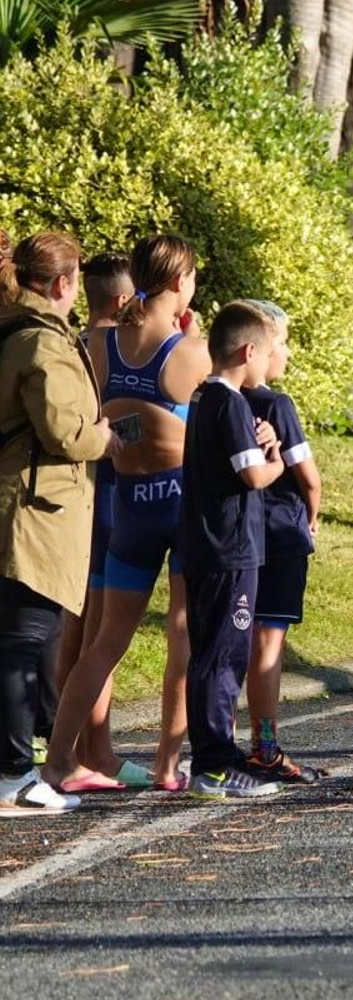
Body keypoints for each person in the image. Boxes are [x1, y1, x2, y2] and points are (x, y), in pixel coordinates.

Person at [44, 235, 209, 795]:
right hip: (181, 502)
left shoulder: (98, 342)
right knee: (183, 636)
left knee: (104, 643)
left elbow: (108, 421)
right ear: (179, 282)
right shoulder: (189, 352)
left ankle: (59, 760)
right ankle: (168, 763)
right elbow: (217, 428)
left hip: (125, 502)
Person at [1, 232, 120, 816]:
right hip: (35, 510)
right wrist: (108, 437)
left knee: (37, 635)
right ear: (60, 284)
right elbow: (65, 432)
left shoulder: (19, 330)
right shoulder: (41, 343)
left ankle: (30, 765)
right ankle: (13, 774)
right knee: (23, 640)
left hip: (31, 505)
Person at [182, 302, 285, 799]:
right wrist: (276, 459)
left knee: (208, 654)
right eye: (266, 354)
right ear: (248, 351)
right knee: (224, 656)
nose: (268, 365)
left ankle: (211, 757)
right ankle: (215, 764)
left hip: (204, 545)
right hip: (230, 549)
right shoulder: (233, 403)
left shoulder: (204, 398)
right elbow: (254, 475)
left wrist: (259, 444)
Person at [50, 253, 143, 784]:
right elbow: (116, 428)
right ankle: (95, 752)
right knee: (101, 635)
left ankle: (71, 746)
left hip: (80, 498)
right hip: (110, 496)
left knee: (78, 630)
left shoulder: (75, 343)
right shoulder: (113, 350)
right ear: (123, 300)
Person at [241, 300, 324, 785]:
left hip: (237, 535)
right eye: (282, 344)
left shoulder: (218, 398)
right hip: (280, 531)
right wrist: (311, 518)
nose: (287, 353)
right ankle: (264, 745)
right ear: (260, 350)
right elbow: (307, 477)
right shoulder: (277, 405)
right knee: (269, 643)